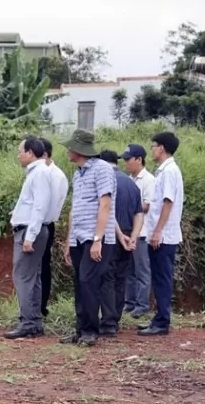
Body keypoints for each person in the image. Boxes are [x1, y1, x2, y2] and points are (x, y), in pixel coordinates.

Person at [60, 129, 115, 346]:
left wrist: (98, 239)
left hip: (95, 238)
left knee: (89, 282)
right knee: (80, 284)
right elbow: (76, 209)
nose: (67, 151)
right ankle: (81, 330)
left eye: (70, 147)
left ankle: (91, 331)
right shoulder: (78, 173)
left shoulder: (102, 169)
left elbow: (105, 204)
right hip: (79, 237)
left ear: (78, 150)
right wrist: (69, 242)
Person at [4, 136, 53, 340]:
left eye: (20, 151)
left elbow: (40, 207)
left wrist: (30, 236)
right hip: (31, 229)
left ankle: (28, 322)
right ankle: (34, 321)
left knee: (23, 277)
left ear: (30, 153)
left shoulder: (39, 173)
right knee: (33, 277)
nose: (18, 155)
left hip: (30, 231)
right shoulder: (39, 172)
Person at [139, 131, 185, 337]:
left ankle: (162, 321)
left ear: (162, 148)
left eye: (153, 145)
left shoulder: (168, 171)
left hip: (164, 235)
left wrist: (158, 231)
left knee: (162, 278)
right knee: (159, 277)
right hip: (161, 233)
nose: (152, 149)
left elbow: (168, 202)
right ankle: (159, 318)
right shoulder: (164, 171)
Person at [98, 150, 143, 336]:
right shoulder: (131, 184)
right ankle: (115, 319)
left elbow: (105, 211)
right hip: (127, 234)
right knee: (120, 278)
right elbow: (139, 213)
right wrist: (133, 236)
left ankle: (108, 322)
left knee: (107, 278)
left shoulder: (106, 182)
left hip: (111, 234)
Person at [121, 144, 156, 317]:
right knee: (130, 271)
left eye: (128, 159)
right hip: (130, 232)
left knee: (142, 270)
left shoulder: (148, 180)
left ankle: (142, 305)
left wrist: (130, 207)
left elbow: (147, 205)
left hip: (142, 233)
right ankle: (129, 303)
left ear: (139, 159)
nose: (126, 163)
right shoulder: (129, 179)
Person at [39, 137, 68, 318]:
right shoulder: (42, 173)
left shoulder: (54, 175)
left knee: (42, 267)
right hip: (39, 224)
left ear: (43, 154)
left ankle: (41, 306)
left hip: (44, 225)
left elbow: (49, 205)